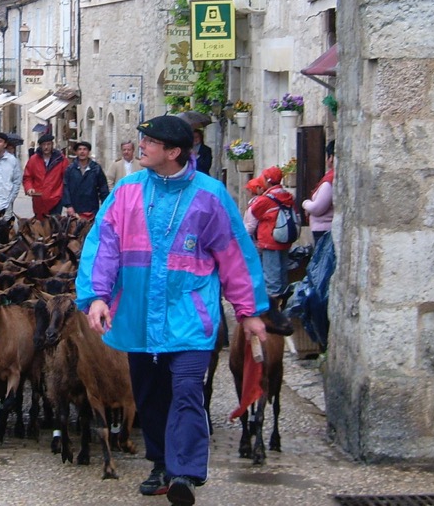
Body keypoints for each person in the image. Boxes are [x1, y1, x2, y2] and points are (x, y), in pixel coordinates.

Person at [76, 115, 268, 505]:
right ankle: (161, 463)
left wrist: (249, 311)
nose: (140, 146)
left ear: (174, 151)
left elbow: (234, 255)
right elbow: (104, 245)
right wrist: (96, 296)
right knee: (149, 395)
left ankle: (186, 472)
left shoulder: (210, 195)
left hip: (190, 315)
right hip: (137, 315)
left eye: (149, 141)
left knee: (185, 391)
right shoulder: (127, 191)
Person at [249, 165, 297, 336]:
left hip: (270, 241)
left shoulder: (266, 199)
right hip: (284, 241)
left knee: (271, 278)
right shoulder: (286, 195)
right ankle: (283, 309)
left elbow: (254, 211)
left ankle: (272, 315)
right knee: (282, 274)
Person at [22, 132, 67, 219]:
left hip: (55, 198)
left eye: (48, 144)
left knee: (54, 226)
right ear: (40, 146)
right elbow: (27, 177)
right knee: (40, 226)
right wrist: (29, 188)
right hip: (39, 199)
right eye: (44, 145)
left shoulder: (61, 159)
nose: (46, 147)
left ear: (52, 144)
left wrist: (62, 193)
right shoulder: (33, 160)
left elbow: (66, 178)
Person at [61, 140, 109, 220]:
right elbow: (65, 188)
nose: (82, 152)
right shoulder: (70, 169)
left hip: (92, 209)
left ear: (88, 152)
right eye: (79, 149)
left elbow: (103, 188)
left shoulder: (96, 169)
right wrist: (69, 206)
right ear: (76, 152)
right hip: (75, 210)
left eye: (84, 149)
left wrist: (105, 206)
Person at [303, 140, 335, 244]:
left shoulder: (329, 182)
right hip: (323, 229)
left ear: (331, 158)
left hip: (324, 230)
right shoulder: (330, 177)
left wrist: (305, 204)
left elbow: (318, 208)